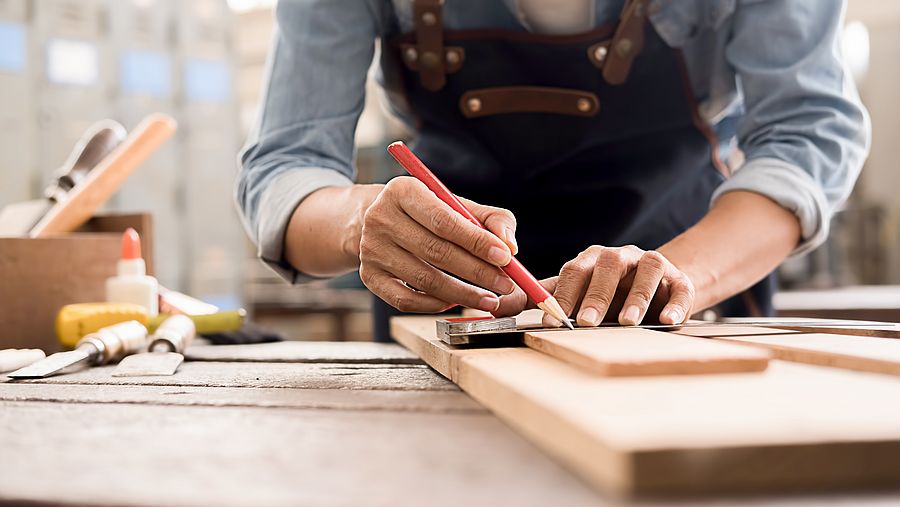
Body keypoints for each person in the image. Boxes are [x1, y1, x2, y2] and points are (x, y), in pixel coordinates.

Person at [236, 0, 869, 342]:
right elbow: (285, 168)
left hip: (687, 305)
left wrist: (683, 276)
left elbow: (807, 134)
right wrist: (357, 222)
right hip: (451, 319)